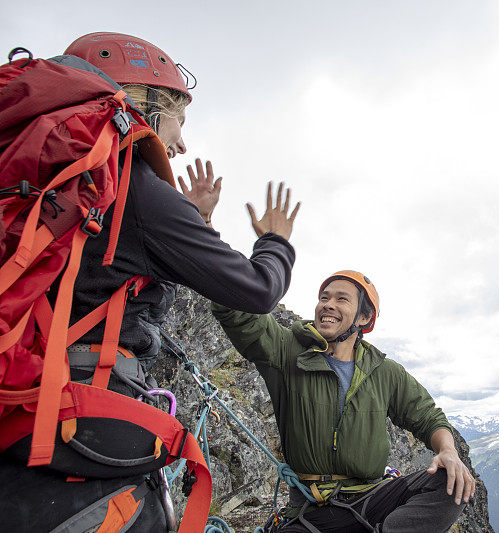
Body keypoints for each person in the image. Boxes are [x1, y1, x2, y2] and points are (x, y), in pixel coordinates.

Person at [0, 32, 300, 531]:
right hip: (82, 410)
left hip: (21, 388)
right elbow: (256, 290)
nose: (181, 143)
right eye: (180, 120)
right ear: (147, 102)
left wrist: (196, 221)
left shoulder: (51, 175)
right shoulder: (134, 184)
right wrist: (276, 243)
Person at [211, 270, 475, 532]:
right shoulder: (286, 349)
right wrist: (214, 244)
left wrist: (448, 450)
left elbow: (428, 416)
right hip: (310, 509)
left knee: (453, 482)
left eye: (341, 299)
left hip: (371, 499)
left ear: (364, 317)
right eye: (324, 298)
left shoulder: (384, 372)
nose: (328, 304)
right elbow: (238, 313)